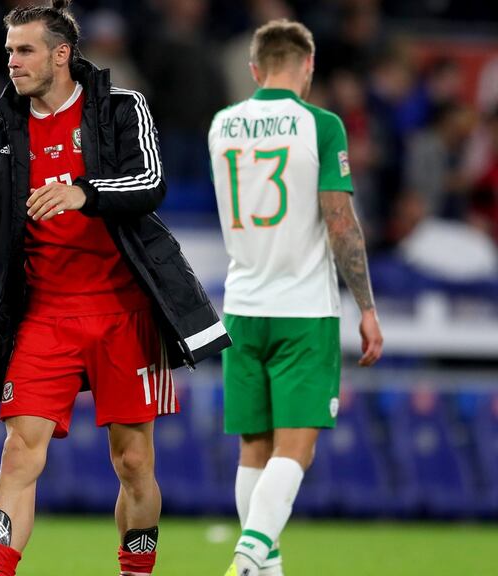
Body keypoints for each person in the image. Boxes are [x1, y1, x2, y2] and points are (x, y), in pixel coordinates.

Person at [0, 2, 229, 575]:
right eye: (9, 50)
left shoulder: (119, 108)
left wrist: (84, 191)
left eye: (25, 49)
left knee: (133, 462)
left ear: (62, 54)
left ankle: (136, 570)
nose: (12, 61)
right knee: (17, 454)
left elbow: (151, 182)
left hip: (126, 311)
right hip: (42, 316)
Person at [206, 19, 384, 576]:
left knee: (253, 450)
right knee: (296, 448)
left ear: (255, 70)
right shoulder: (321, 125)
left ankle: (267, 567)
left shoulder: (222, 125)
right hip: (303, 308)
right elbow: (341, 223)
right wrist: (368, 308)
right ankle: (248, 554)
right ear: (307, 68)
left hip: (241, 305)